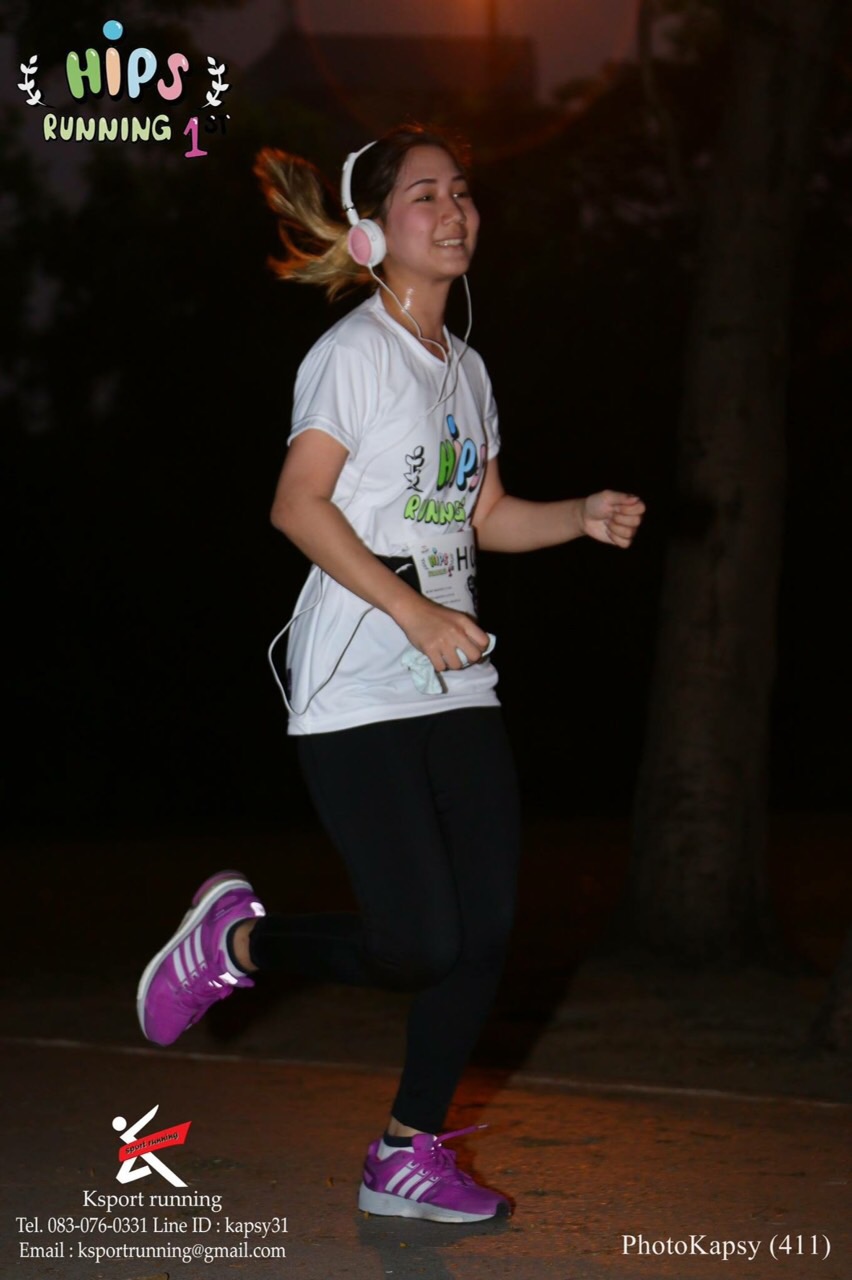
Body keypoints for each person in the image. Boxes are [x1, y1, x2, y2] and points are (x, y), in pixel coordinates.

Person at [136, 123, 645, 1224]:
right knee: (419, 941)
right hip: (358, 680)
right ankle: (235, 941)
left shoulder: (466, 368)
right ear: (370, 231)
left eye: (461, 191)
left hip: (455, 674)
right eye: (425, 195)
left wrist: (578, 514)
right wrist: (412, 611)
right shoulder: (353, 354)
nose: (453, 211)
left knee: (487, 925)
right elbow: (296, 504)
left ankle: (407, 1152)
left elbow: (484, 513)